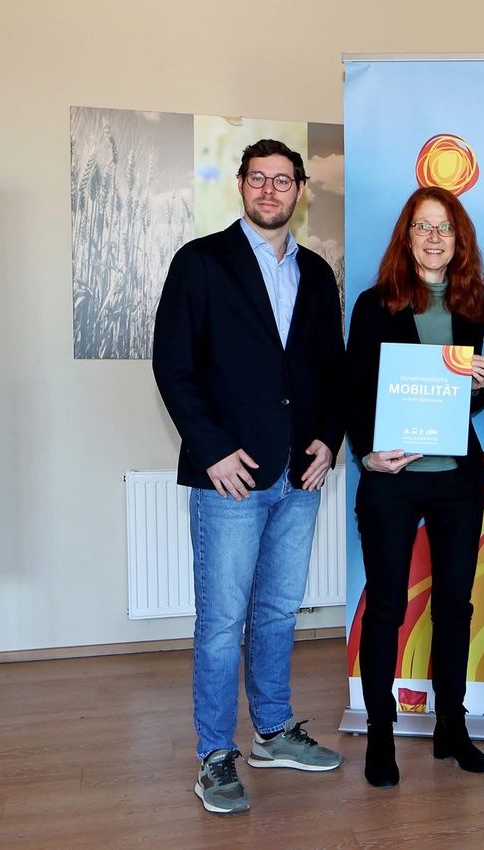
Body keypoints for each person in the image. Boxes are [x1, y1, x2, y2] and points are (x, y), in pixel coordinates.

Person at [153, 139, 345, 815]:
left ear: (299, 191)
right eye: (259, 179)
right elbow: (173, 366)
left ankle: (273, 730)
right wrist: (210, 451)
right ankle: (215, 754)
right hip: (229, 477)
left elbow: (330, 372)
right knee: (222, 621)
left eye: (283, 180)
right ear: (241, 186)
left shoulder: (318, 275)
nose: (271, 190)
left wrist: (330, 440)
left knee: (276, 612)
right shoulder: (201, 262)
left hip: (300, 474)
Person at [345, 186, 484, 788]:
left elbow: (461, 401)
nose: (434, 238)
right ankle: (381, 733)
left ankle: (450, 729)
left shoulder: (473, 307)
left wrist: (480, 383)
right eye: (423, 227)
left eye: (445, 228)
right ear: (406, 238)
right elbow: (352, 388)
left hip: (456, 479)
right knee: (387, 606)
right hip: (392, 480)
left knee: (454, 605)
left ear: (459, 242)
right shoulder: (373, 303)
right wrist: (365, 453)